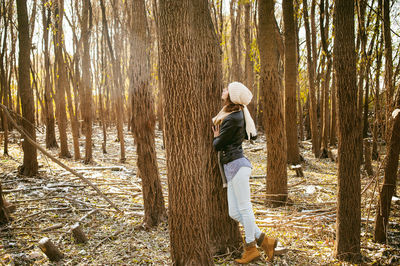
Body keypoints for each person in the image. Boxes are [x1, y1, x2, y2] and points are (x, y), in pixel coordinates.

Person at [212, 82, 277, 264]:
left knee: (245, 208)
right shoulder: (232, 114)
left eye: (226, 89)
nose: (223, 90)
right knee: (234, 212)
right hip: (233, 167)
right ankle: (265, 241)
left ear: (231, 96)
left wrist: (217, 137)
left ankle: (251, 249)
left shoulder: (233, 118)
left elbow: (218, 144)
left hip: (237, 166)